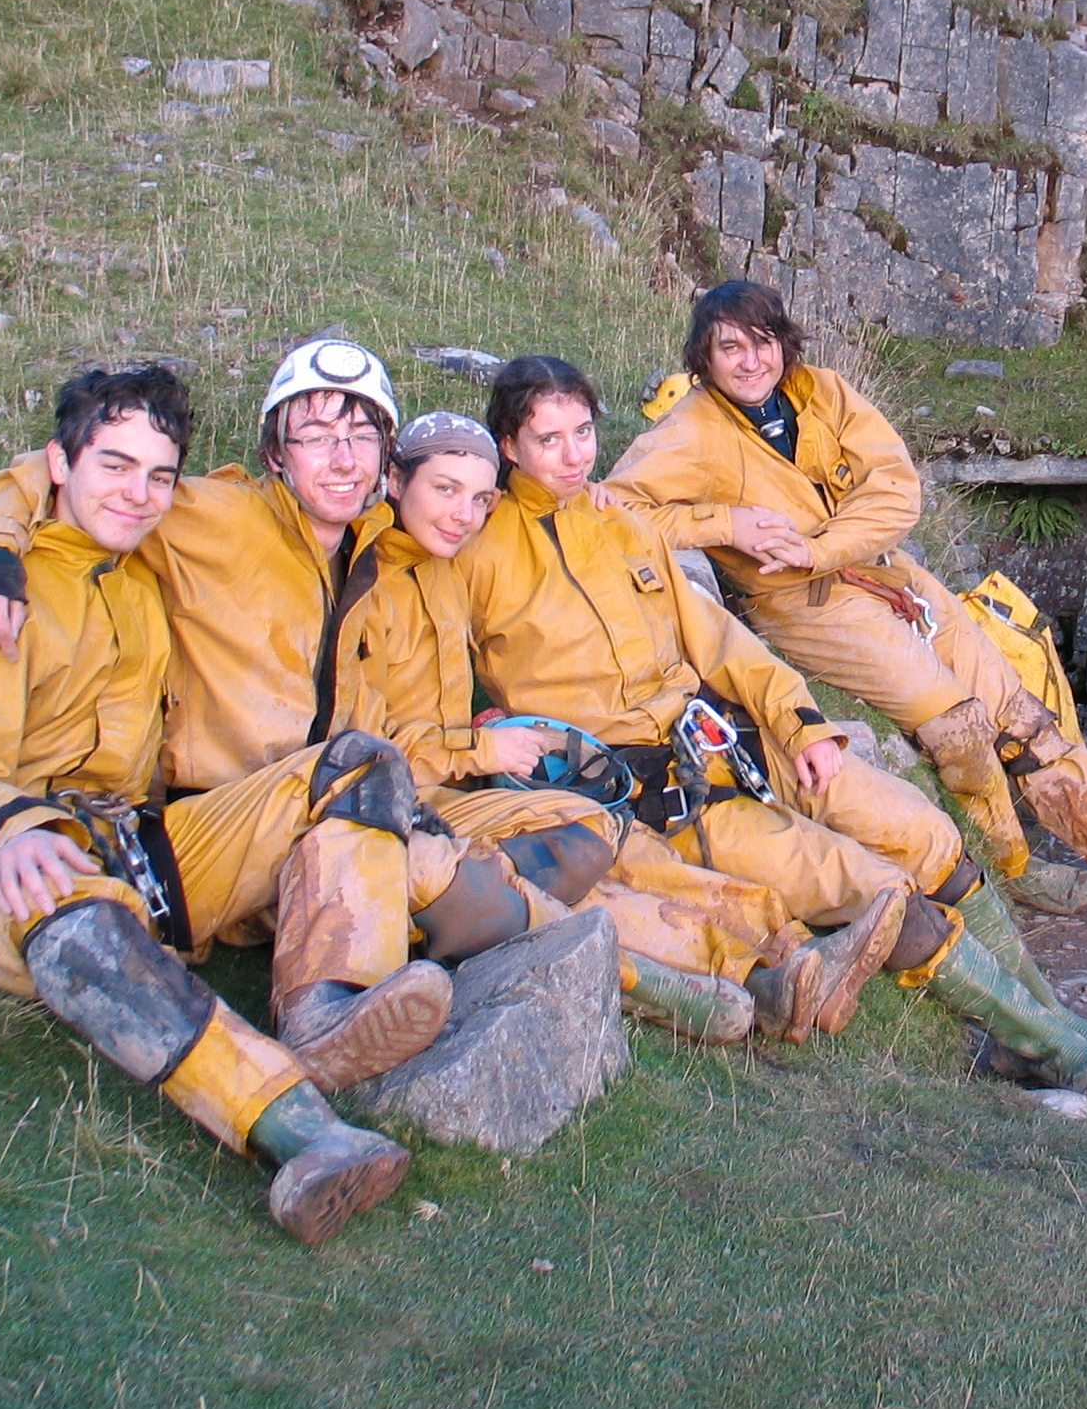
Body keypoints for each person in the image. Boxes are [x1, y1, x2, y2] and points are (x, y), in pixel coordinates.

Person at [456, 356, 1087, 1094]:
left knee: (923, 830)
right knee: (873, 887)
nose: (573, 456)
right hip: (651, 793)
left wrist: (801, 723)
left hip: (732, 738)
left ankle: (1052, 1014)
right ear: (509, 446)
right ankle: (1037, 1042)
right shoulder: (475, 551)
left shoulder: (622, 525)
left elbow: (718, 640)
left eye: (583, 432)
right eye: (548, 439)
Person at [0, 338, 605, 1081]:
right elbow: (76, 472)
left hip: (342, 805)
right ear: (275, 453)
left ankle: (436, 913)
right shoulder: (213, 519)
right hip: (230, 819)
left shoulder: (376, 545)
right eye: (316, 437)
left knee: (582, 825)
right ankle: (346, 997)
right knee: (379, 799)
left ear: (385, 460)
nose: (342, 460)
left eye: (361, 437)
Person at [0, 365, 410, 1245]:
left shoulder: (135, 577)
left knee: (358, 764)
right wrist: (10, 833)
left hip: (137, 845)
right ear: (60, 467)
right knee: (72, 908)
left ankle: (330, 1012)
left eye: (159, 476)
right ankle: (303, 1134)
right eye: (114, 467)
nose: (138, 494)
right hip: (10, 879)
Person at [606, 281, 1087, 920]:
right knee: (956, 722)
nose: (752, 361)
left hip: (892, 577)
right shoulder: (691, 429)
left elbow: (895, 490)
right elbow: (615, 510)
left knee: (1014, 708)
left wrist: (820, 547)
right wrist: (726, 525)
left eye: (763, 341)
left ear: (784, 343)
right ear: (704, 356)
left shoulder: (824, 392)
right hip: (807, 606)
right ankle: (1013, 869)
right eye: (730, 347)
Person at [352, 409, 882, 1045]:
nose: (463, 514)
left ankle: (787, 958)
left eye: (478, 498)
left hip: (462, 777)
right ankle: (747, 976)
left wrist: (578, 500)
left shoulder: (447, 560)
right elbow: (360, 749)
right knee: (587, 866)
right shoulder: (372, 584)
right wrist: (477, 746)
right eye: (444, 490)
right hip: (409, 802)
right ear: (394, 481)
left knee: (616, 840)